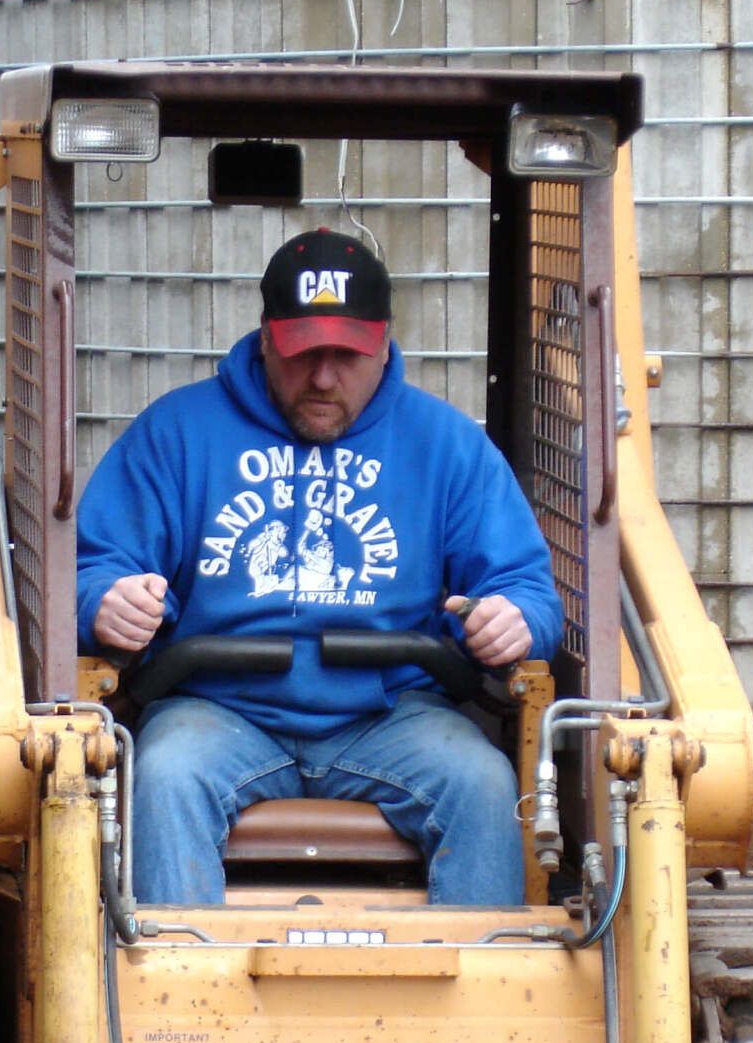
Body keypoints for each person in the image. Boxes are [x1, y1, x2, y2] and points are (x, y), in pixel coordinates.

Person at [75, 229, 563, 906]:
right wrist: (104, 599)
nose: (325, 378)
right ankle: (177, 1004)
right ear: (269, 339)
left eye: (347, 355)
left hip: (394, 716)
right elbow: (92, 566)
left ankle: (484, 999)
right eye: (305, 355)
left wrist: (515, 620)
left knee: (481, 784)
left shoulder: (446, 445)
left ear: (384, 342)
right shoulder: (176, 434)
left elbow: (527, 587)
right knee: (162, 776)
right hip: (219, 709)